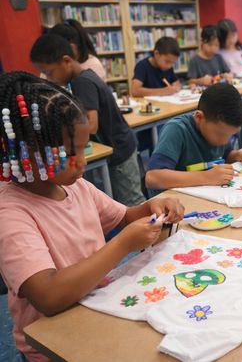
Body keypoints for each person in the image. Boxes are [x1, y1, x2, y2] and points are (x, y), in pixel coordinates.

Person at [0, 71, 184, 362]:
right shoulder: (10, 213)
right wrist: (122, 244)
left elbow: (124, 217)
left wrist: (152, 207)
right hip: (53, 344)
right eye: (71, 152)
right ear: (28, 151)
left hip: (96, 309)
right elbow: (48, 297)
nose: (83, 162)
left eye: (83, 148)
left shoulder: (75, 187)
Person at [30, 34, 146, 206]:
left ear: (66, 60)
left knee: (131, 201)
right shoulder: (86, 75)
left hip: (118, 151)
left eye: (49, 72)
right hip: (119, 145)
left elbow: (91, 125)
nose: (49, 79)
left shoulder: (82, 83)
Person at [145, 83, 242, 193]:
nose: (225, 141)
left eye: (231, 136)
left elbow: (225, 155)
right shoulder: (177, 130)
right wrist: (206, 177)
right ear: (199, 117)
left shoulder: (220, 130)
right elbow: (153, 177)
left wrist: (239, 156)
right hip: (172, 202)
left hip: (204, 194)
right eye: (221, 135)